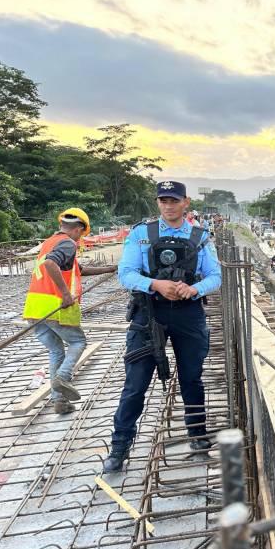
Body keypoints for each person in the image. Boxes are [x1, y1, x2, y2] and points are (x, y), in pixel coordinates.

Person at [104, 181, 221, 472]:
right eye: (163, 200)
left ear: (185, 202)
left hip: (188, 314)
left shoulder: (201, 236)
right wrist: (155, 283)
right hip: (149, 313)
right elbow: (126, 274)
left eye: (173, 200)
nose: (168, 206)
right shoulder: (141, 233)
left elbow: (214, 276)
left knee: (192, 379)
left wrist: (193, 290)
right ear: (158, 203)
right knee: (135, 383)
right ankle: (119, 447)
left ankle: (197, 434)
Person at [23, 208, 117, 414]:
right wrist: (66, 294)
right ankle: (62, 378)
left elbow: (77, 270)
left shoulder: (50, 242)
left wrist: (109, 269)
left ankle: (60, 402)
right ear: (78, 229)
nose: (81, 239)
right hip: (55, 306)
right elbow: (50, 264)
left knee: (56, 351)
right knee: (78, 342)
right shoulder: (68, 242)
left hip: (34, 309)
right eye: (81, 234)